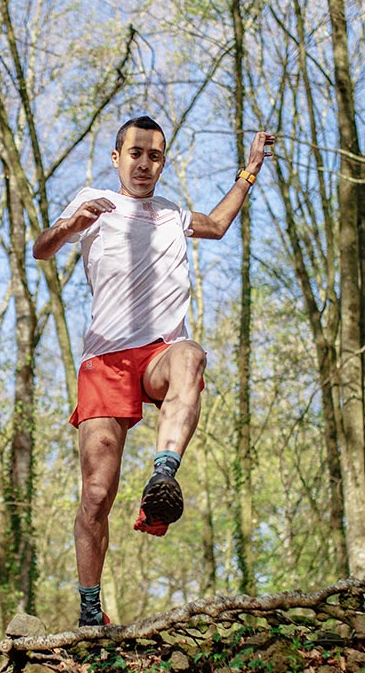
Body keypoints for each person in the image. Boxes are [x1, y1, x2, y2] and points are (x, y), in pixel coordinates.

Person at [33, 115, 275, 627]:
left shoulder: (170, 214)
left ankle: (163, 476)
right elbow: (42, 249)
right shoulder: (92, 201)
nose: (145, 163)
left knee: (191, 354)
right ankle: (90, 611)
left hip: (159, 352)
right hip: (105, 360)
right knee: (96, 494)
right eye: (136, 153)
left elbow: (216, 224)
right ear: (118, 158)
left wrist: (249, 171)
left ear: (163, 163)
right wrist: (70, 226)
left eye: (155, 156)